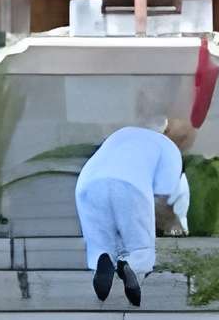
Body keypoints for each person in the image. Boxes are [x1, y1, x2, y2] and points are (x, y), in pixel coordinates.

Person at [73, 117, 193, 306]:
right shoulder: (169, 150)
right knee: (139, 245)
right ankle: (132, 266)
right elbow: (164, 196)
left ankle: (101, 260)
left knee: (100, 239)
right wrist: (175, 227)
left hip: (88, 182)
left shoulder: (123, 134)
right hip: (130, 185)